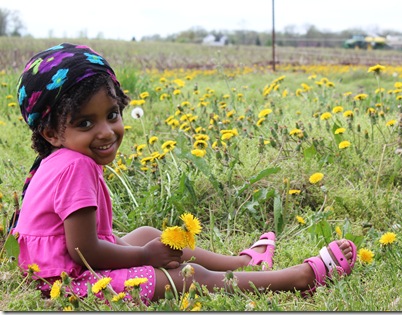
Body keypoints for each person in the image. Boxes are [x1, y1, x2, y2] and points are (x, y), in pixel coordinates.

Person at [10, 43, 357, 305]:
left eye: (112, 114)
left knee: (148, 232)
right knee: (188, 277)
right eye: (85, 123)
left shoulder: (61, 158)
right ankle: (299, 279)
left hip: (63, 268)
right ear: (50, 132)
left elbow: (89, 245)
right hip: (67, 284)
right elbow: (86, 252)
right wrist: (145, 256)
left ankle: (243, 262)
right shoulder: (76, 167)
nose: (105, 131)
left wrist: (144, 247)